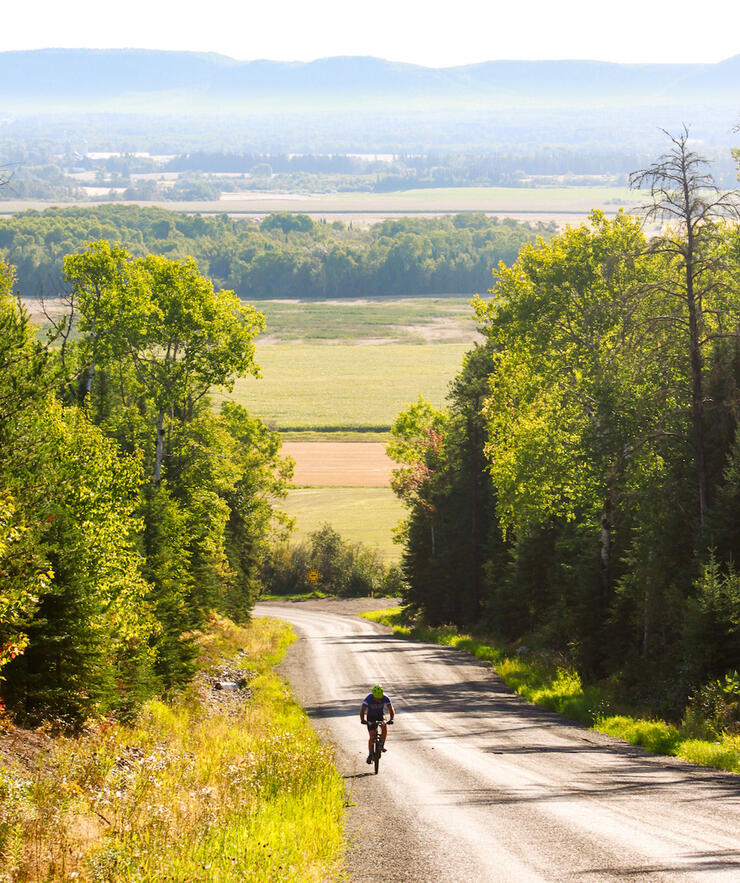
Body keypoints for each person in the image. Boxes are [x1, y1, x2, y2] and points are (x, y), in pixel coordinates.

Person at [360, 684, 395, 764]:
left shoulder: (385, 697)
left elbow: (391, 709)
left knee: (384, 726)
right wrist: (363, 720)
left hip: (380, 715)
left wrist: (391, 719)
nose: (378, 700)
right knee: (372, 735)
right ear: (373, 695)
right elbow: (362, 710)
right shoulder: (369, 698)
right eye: (376, 698)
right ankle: (370, 754)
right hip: (370, 716)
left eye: (379, 699)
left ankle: (381, 745)